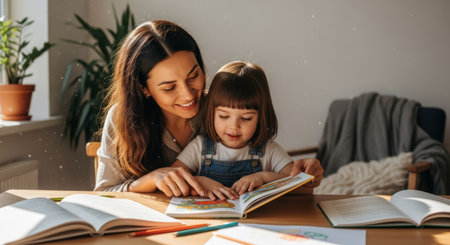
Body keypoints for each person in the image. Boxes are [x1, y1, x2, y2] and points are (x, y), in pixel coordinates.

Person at [94, 20, 323, 197]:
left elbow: (295, 184)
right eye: (169, 87)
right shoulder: (123, 119)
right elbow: (104, 195)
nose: (187, 94)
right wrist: (149, 180)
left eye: (193, 75)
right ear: (144, 89)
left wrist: (306, 175)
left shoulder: (220, 109)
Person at [173, 61, 312, 200]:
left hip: (257, 220)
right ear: (211, 113)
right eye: (224, 116)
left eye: (246, 118)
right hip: (211, 220)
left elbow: (304, 187)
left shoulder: (268, 150)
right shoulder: (200, 147)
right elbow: (172, 177)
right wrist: (198, 181)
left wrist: (263, 177)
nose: (234, 126)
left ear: (260, 117)